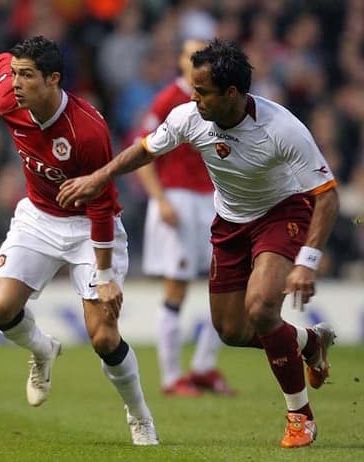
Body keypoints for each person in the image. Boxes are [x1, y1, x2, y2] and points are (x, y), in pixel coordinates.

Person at [57, 38, 339, 448]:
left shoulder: (282, 128)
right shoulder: (189, 116)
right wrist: (99, 177)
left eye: (202, 91)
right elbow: (145, 150)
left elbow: (327, 194)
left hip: (281, 213)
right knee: (231, 330)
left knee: (261, 308)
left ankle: (301, 416)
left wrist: (307, 262)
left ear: (231, 94)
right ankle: (309, 341)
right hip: (229, 223)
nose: (194, 97)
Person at [0, 35, 158, 446]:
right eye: (15, 75)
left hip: (89, 228)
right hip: (39, 218)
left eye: (27, 76)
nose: (16, 83)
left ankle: (140, 417)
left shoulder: (87, 131)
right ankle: (43, 349)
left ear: (53, 80)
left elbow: (101, 207)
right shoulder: (8, 95)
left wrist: (104, 275)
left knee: (103, 337)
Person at [132, 39, 234, 397]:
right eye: (190, 55)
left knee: (224, 285)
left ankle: (204, 367)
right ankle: (171, 376)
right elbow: (140, 151)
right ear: (179, 61)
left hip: (214, 200)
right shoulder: (167, 100)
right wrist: (159, 200)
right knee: (177, 286)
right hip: (177, 198)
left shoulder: (220, 98)